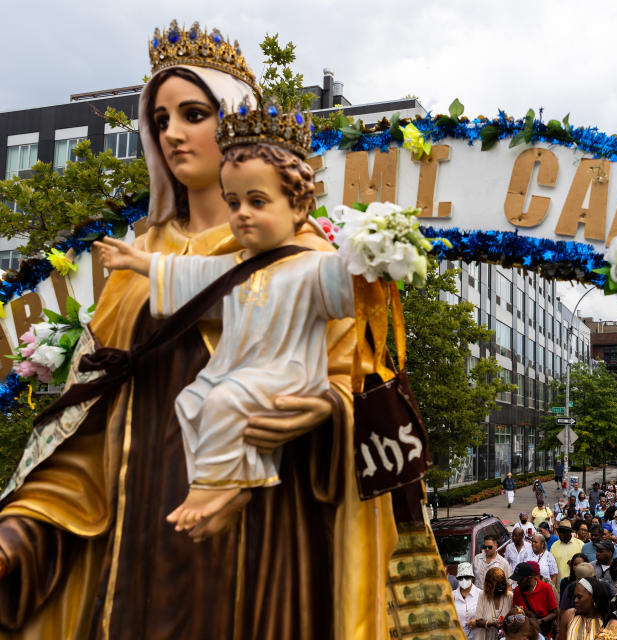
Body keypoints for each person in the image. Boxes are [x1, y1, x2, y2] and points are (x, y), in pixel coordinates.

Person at [0, 36, 398, 638]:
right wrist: (22, 526)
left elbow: (352, 387)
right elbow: (85, 420)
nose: (172, 135)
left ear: (236, 126)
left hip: (257, 543)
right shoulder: (141, 259)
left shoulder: (306, 254)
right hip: (133, 543)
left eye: (193, 114)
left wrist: (322, 411)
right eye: (160, 119)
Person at [96, 107, 353, 531]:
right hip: (240, 369)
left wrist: (373, 257)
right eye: (233, 203)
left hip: (286, 374)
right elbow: (190, 275)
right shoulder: (236, 265)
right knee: (192, 400)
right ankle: (235, 483)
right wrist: (137, 260)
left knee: (222, 401)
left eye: (257, 201)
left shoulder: (312, 265)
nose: (242, 214)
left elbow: (351, 290)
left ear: (299, 207)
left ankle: (212, 489)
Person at [557, 576, 617, 640]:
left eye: (579, 597)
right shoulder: (569, 616)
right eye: (575, 596)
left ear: (593, 598)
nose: (575, 600)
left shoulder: (611, 624)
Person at [513, 561, 560, 638]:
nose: (517, 582)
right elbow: (515, 611)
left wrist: (540, 621)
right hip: (524, 635)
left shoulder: (545, 588)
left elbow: (555, 613)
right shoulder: (517, 591)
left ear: (529, 577)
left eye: (520, 580)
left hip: (544, 633)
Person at [474, 567, 515, 639]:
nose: (501, 588)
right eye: (498, 586)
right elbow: (478, 621)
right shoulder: (482, 595)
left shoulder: (510, 596)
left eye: (503, 584)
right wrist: (491, 624)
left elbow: (514, 620)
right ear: (490, 586)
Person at [454, 562, 482, 640]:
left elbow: (488, 616)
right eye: (461, 577)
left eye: (466, 577)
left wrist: (478, 622)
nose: (464, 580)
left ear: (472, 578)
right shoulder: (451, 596)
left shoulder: (481, 595)